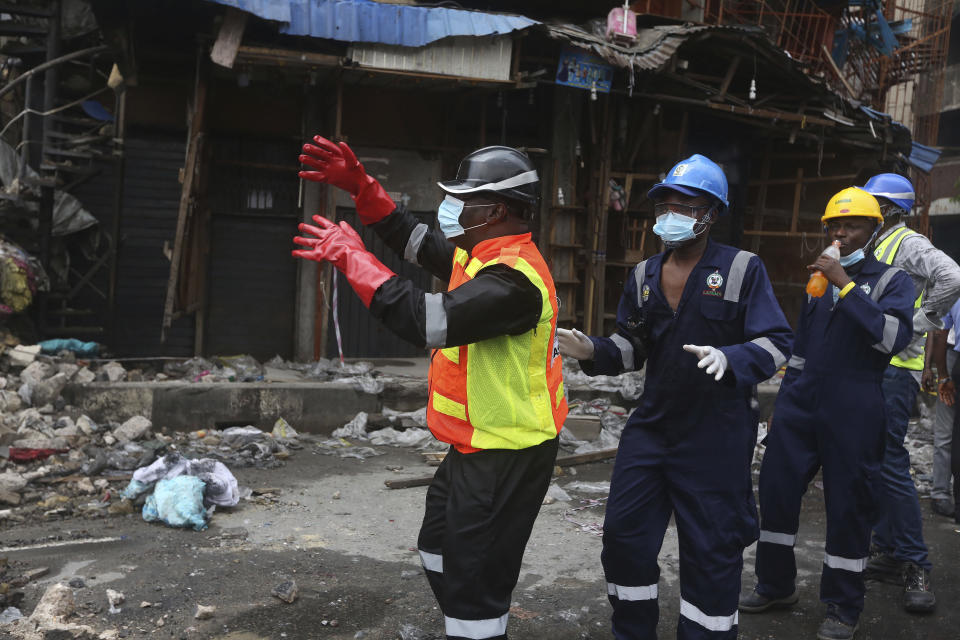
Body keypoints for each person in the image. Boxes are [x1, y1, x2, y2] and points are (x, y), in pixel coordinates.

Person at [293, 137, 567, 640]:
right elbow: (410, 237)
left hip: (508, 453)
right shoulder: (479, 253)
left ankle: (479, 621)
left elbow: (426, 320)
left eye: (462, 200)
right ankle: (475, 617)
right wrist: (361, 185)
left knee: (473, 579)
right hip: (474, 446)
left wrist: (354, 258)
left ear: (496, 210)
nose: (450, 209)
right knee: (437, 548)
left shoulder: (514, 281)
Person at [558, 154, 792, 640]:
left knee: (711, 551)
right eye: (665, 205)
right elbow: (632, 348)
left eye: (684, 206)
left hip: (717, 431)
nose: (671, 215)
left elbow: (776, 342)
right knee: (623, 538)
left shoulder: (742, 269)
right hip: (653, 427)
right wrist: (591, 349)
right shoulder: (644, 275)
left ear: (710, 213)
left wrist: (733, 359)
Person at [739, 188, 916, 640]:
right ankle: (775, 585)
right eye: (834, 226)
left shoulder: (893, 281)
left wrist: (846, 284)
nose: (839, 233)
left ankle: (842, 606)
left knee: (848, 506)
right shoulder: (818, 283)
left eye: (851, 225)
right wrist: (782, 409)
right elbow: (800, 352)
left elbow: (890, 339)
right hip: (800, 404)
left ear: (873, 230)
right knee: (776, 492)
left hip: (855, 405)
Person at [859, 173, 960, 612]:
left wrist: (922, 322)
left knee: (893, 464)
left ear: (890, 210)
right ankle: (887, 549)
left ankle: (917, 563)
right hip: (874, 365)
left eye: (873, 206)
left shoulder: (907, 243)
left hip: (896, 369)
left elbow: (952, 276)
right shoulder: (876, 245)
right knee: (878, 462)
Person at [925, 298, 960, 518]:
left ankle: (941, 493)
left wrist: (941, 373)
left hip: (950, 358)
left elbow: (939, 331)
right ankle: (940, 492)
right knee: (947, 432)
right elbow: (938, 332)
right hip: (950, 355)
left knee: (946, 433)